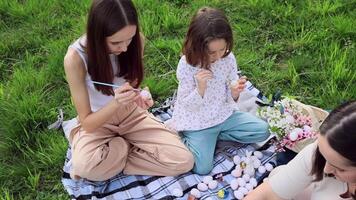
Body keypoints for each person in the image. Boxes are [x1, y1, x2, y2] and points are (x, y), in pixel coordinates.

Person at [62, 0, 194, 181]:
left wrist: (137, 95)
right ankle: (125, 146)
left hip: (130, 113)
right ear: (97, 36)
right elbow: (87, 124)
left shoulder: (136, 41)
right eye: (116, 42)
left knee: (183, 161)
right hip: (98, 120)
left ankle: (118, 153)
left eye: (129, 39)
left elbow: (131, 83)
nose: (124, 48)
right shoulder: (75, 59)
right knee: (85, 168)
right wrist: (116, 102)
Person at [165, 7, 269, 175]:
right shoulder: (187, 65)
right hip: (198, 122)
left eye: (222, 49)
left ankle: (215, 137)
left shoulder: (227, 58)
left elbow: (230, 92)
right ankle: (189, 137)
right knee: (202, 168)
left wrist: (235, 91)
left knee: (262, 130)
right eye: (212, 52)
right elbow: (187, 105)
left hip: (223, 114)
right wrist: (200, 88)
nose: (219, 56)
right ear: (198, 46)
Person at [245, 100, 356, 200]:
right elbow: (268, 193)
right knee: (278, 175)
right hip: (319, 189)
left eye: (341, 169)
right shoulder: (320, 153)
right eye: (323, 154)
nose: (326, 169)